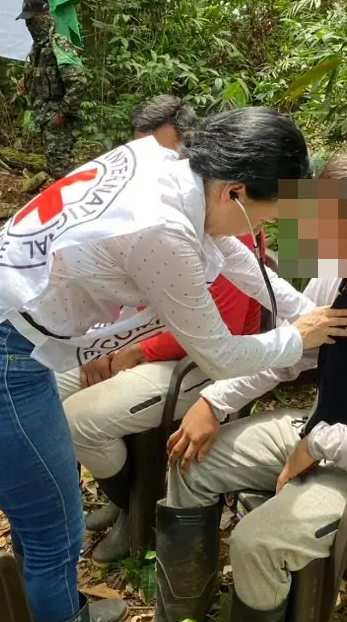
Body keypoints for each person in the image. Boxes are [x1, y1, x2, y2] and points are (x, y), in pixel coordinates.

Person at [0, 107, 347, 622]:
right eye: (263, 216)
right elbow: (221, 353)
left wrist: (305, 312)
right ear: (237, 192)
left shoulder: (169, 165)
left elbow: (236, 261)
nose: (258, 234)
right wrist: (299, 338)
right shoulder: (162, 231)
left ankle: (58, 612)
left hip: (1, 332)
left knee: (45, 520)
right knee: (54, 530)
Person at [99, 149, 347, 622]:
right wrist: (212, 400)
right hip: (324, 433)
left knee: (255, 543)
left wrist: (319, 444)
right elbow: (290, 351)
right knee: (190, 458)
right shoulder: (337, 275)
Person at [56, 94, 262, 563]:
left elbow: (218, 331)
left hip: (196, 359)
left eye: (163, 156)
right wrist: (107, 346)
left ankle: (138, 510)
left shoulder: (225, 214)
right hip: (144, 340)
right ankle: (119, 495)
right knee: (51, 387)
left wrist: (131, 353)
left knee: (80, 421)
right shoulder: (146, 205)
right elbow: (122, 293)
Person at [16, 0, 85, 180]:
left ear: (43, 17)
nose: (28, 25)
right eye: (27, 21)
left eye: (31, 20)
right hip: (44, 117)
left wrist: (61, 114)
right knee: (54, 167)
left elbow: (78, 83)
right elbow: (40, 78)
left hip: (58, 119)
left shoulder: (58, 44)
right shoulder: (37, 49)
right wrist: (26, 84)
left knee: (63, 171)